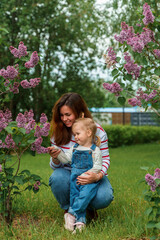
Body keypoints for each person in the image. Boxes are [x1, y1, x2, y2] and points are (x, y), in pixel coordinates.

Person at [48, 92, 113, 229]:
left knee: (105, 196)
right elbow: (55, 166)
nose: (64, 119)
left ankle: (82, 209)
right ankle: (69, 210)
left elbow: (105, 159)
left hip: (92, 174)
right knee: (57, 177)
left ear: (81, 114)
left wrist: (97, 175)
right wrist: (56, 157)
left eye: (68, 114)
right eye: (62, 115)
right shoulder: (58, 133)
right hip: (69, 174)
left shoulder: (97, 131)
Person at [48, 118, 102, 232]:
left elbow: (98, 166)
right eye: (74, 134)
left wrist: (90, 174)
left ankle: (71, 214)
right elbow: (66, 159)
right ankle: (80, 221)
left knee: (85, 195)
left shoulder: (95, 150)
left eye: (78, 134)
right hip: (74, 178)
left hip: (88, 179)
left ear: (88, 133)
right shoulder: (74, 148)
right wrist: (58, 153)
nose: (75, 137)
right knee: (74, 197)